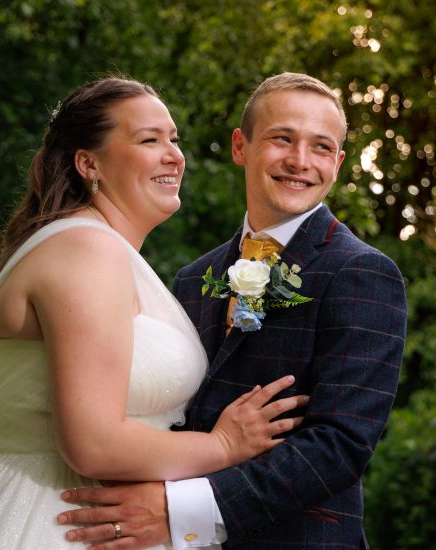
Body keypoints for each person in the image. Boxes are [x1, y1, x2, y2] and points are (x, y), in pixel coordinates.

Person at [0, 76, 307, 550]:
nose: (174, 155)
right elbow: (92, 443)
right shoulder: (86, 248)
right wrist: (223, 446)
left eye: (173, 139)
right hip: (54, 520)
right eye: (149, 140)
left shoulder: (88, 248)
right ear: (88, 163)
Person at [58, 72, 408, 549]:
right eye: (282, 138)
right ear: (240, 146)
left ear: (339, 162)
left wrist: (178, 510)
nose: (301, 161)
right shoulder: (190, 280)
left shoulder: (363, 272)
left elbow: (339, 446)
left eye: (322, 148)